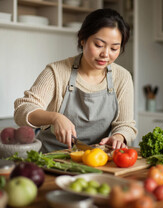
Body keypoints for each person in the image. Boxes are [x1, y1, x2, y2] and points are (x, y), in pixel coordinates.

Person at [14, 8, 137, 153]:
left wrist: (119, 136)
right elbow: (22, 110)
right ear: (83, 39)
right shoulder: (57, 72)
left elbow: (126, 124)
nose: (105, 54)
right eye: (98, 45)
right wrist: (55, 118)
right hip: (49, 159)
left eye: (114, 48)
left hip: (94, 160)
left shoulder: (122, 77)